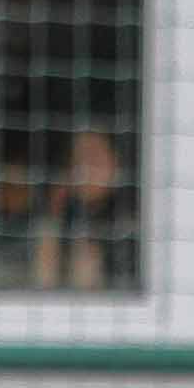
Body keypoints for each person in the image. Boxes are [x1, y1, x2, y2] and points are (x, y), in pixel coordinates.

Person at [33, 126, 138, 294]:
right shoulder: (64, 213)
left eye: (94, 157)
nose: (85, 167)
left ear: (116, 162)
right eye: (78, 158)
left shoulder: (133, 218)